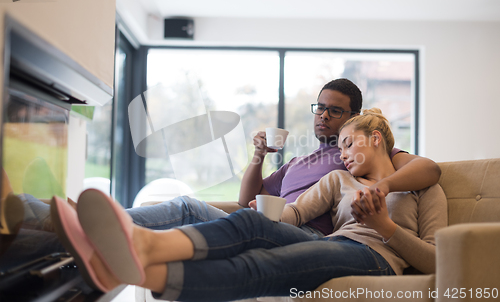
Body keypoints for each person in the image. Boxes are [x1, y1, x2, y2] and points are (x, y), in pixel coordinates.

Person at [51, 108, 448, 301]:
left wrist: (385, 226)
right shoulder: (338, 179)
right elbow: (292, 216)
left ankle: (136, 263)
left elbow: (436, 261)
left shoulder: (419, 184)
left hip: (375, 257)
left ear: (376, 138)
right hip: (333, 243)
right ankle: (136, 250)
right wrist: (266, 208)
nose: (341, 154)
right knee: (251, 224)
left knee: (267, 267)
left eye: (348, 143)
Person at [127, 78, 441, 237]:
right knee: (188, 210)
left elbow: (428, 169)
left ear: (353, 116)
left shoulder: (360, 156)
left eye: (335, 110)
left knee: (187, 206)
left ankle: (114, 223)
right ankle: (114, 228)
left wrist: (381, 187)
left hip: (308, 233)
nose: (323, 115)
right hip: (271, 224)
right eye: (320, 107)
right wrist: (258, 156)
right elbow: (246, 199)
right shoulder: (297, 163)